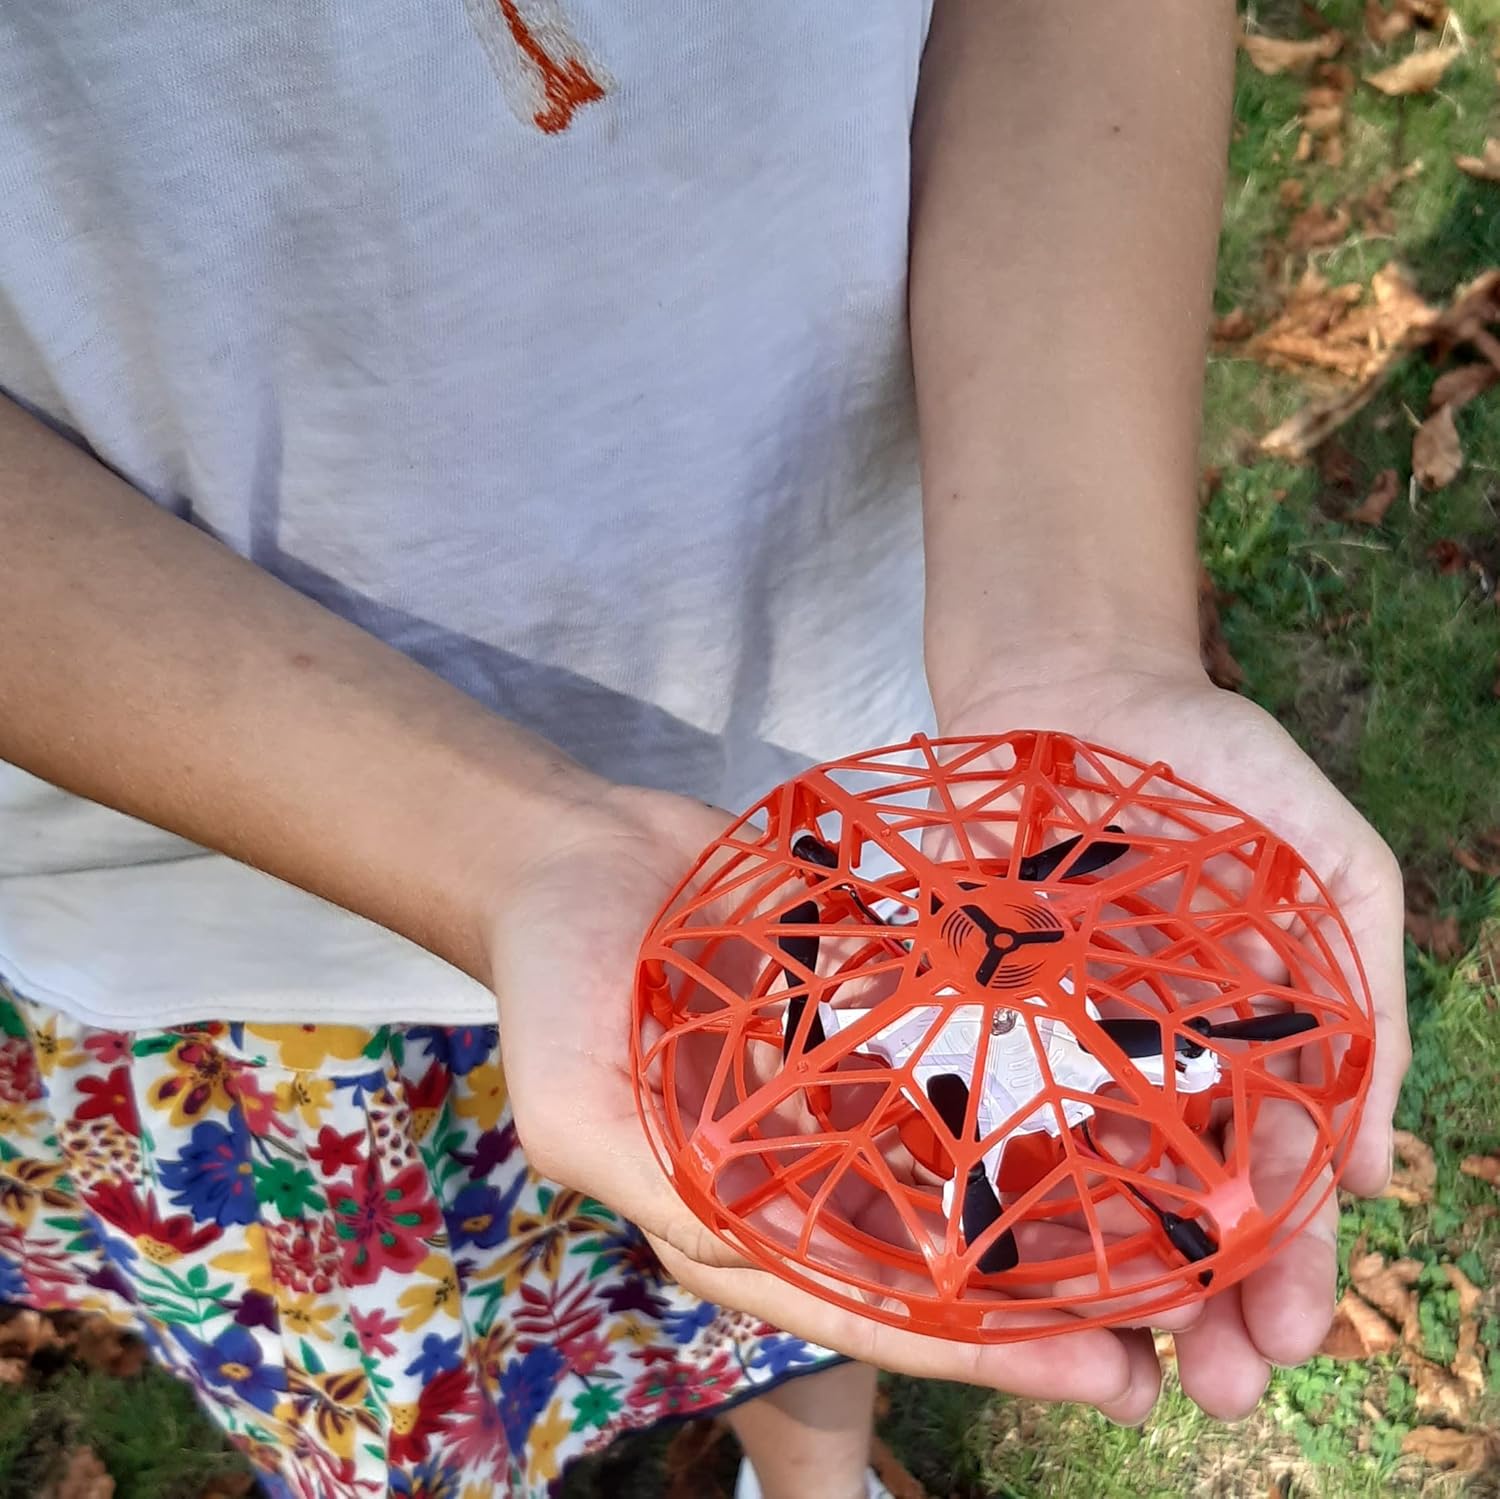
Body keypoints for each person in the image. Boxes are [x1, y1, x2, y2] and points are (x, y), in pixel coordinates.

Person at [0, 2, 1408, 1496]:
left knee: (845, 1239)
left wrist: (1079, 640)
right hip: (222, 897)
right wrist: (514, 854)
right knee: (424, 1392)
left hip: (871, 810)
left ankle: (811, 1483)